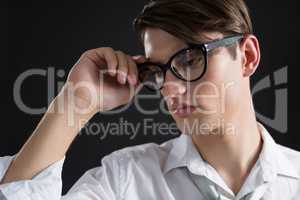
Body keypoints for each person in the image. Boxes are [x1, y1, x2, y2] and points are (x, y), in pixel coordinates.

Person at [1, 0, 299, 199]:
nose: (169, 88)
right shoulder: (124, 181)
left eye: (190, 59)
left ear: (247, 56)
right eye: (158, 70)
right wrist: (76, 101)